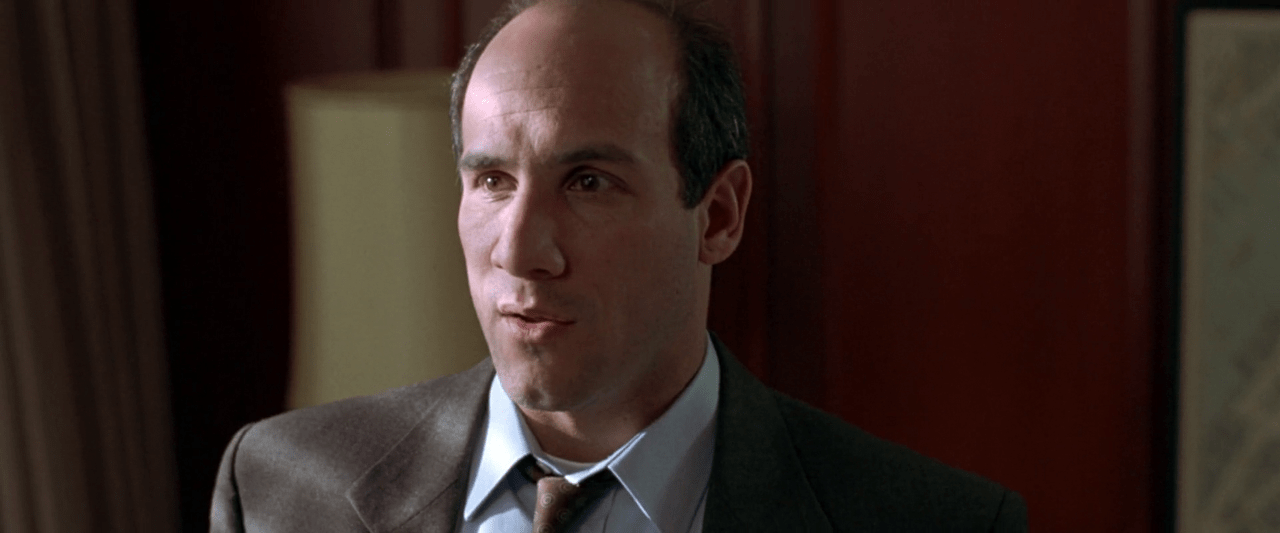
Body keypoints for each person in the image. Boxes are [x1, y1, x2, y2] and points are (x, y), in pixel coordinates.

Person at [210, 0, 1029, 531]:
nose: (519, 251)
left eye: (588, 182)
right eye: (492, 181)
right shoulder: (278, 489)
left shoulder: (936, 522)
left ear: (718, 215)